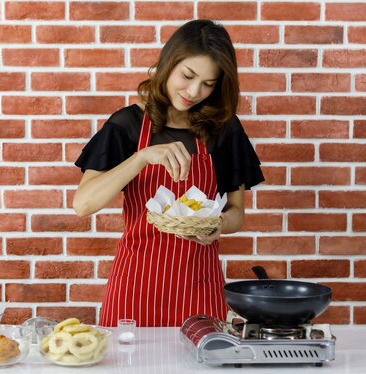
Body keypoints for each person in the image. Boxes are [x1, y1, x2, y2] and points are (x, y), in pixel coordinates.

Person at [73, 20, 264, 327]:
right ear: (168, 62)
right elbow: (83, 204)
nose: (194, 91)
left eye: (208, 83)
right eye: (187, 76)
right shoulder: (128, 125)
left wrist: (219, 225)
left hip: (200, 288)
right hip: (134, 289)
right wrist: (141, 157)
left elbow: (236, 212)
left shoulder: (224, 129)